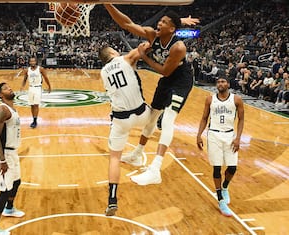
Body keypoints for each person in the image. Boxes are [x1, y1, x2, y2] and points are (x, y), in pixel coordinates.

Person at [104, 5, 198, 185]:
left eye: (164, 22)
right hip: (168, 80)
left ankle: (156, 169)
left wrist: (143, 55)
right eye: (160, 20)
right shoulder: (152, 35)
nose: (159, 23)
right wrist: (107, 3)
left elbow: (165, 71)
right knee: (152, 118)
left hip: (181, 81)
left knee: (168, 119)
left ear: (171, 29)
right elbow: (127, 23)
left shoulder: (178, 47)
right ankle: (137, 155)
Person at [99, 45, 151, 216]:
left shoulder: (103, 72)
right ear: (113, 53)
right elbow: (144, 47)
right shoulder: (124, 59)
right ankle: (140, 150)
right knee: (157, 109)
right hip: (142, 114)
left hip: (121, 119)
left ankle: (112, 199)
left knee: (114, 158)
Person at [196, 76, 244, 217]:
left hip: (230, 136)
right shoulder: (210, 99)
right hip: (214, 135)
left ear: (228, 84)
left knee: (232, 168)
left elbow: (241, 119)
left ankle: (225, 187)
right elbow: (204, 118)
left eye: (223, 81)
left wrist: (238, 138)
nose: (220, 84)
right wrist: (199, 135)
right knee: (216, 168)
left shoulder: (236, 99)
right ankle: (220, 200)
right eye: (218, 82)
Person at [0, 82, 25, 235]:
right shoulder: (2, 110)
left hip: (12, 152)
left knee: (16, 182)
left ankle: (9, 209)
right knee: (4, 190)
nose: (10, 88)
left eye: (10, 87)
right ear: (1, 95)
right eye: (5, 88)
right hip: (3, 155)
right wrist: (2, 161)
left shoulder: (12, 109)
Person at [20, 57, 51, 128]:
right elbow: (25, 79)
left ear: (36, 62)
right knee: (32, 105)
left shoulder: (40, 69)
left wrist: (49, 86)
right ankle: (33, 118)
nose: (32, 62)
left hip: (38, 87)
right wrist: (22, 86)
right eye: (31, 61)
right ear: (29, 62)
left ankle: (35, 120)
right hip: (30, 87)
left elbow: (46, 78)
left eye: (34, 61)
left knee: (36, 104)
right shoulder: (27, 70)